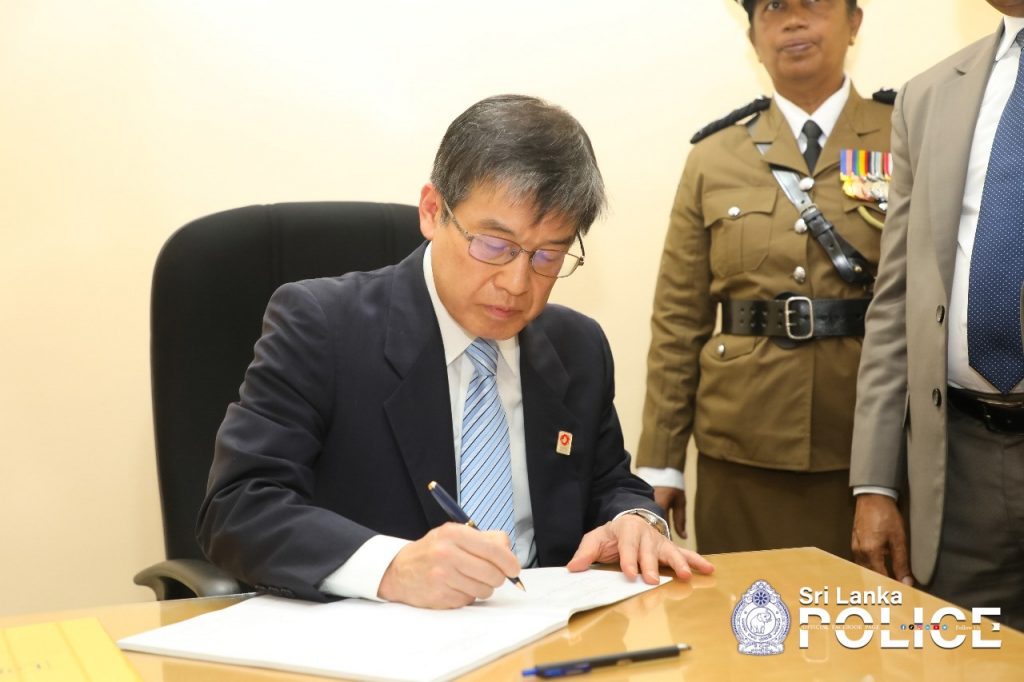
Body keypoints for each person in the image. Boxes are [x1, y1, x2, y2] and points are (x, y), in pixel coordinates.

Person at [197, 94, 713, 610]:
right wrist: (391, 567)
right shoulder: (322, 325)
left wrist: (634, 519)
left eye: (547, 256)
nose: (517, 283)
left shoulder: (577, 346)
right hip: (380, 631)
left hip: (549, 631)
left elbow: (609, 482)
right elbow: (238, 508)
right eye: (493, 245)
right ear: (431, 211)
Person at [636, 0, 892, 558]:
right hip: (741, 450)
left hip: (872, 450)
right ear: (753, 37)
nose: (793, 21)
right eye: (774, 8)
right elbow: (678, 319)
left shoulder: (906, 137)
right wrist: (661, 463)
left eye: (812, 4)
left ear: (853, 22)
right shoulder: (713, 156)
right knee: (745, 608)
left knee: (863, 610)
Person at [850, 1, 1024, 631]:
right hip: (959, 471)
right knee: (967, 662)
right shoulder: (927, 97)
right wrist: (875, 483)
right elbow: (896, 298)